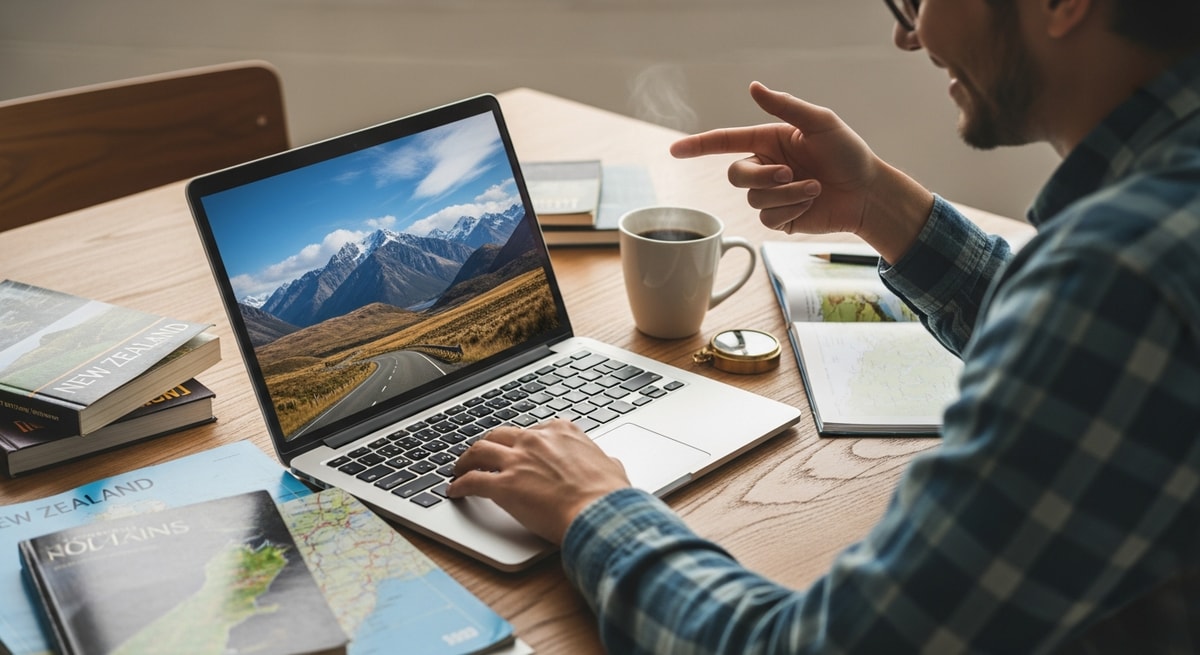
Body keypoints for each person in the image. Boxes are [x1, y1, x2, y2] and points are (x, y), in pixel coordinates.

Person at [449, 0, 1200, 651]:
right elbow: (1089, 358)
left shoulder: (1120, 279)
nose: (912, 36)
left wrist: (593, 508)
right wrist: (883, 207)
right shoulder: (1153, 233)